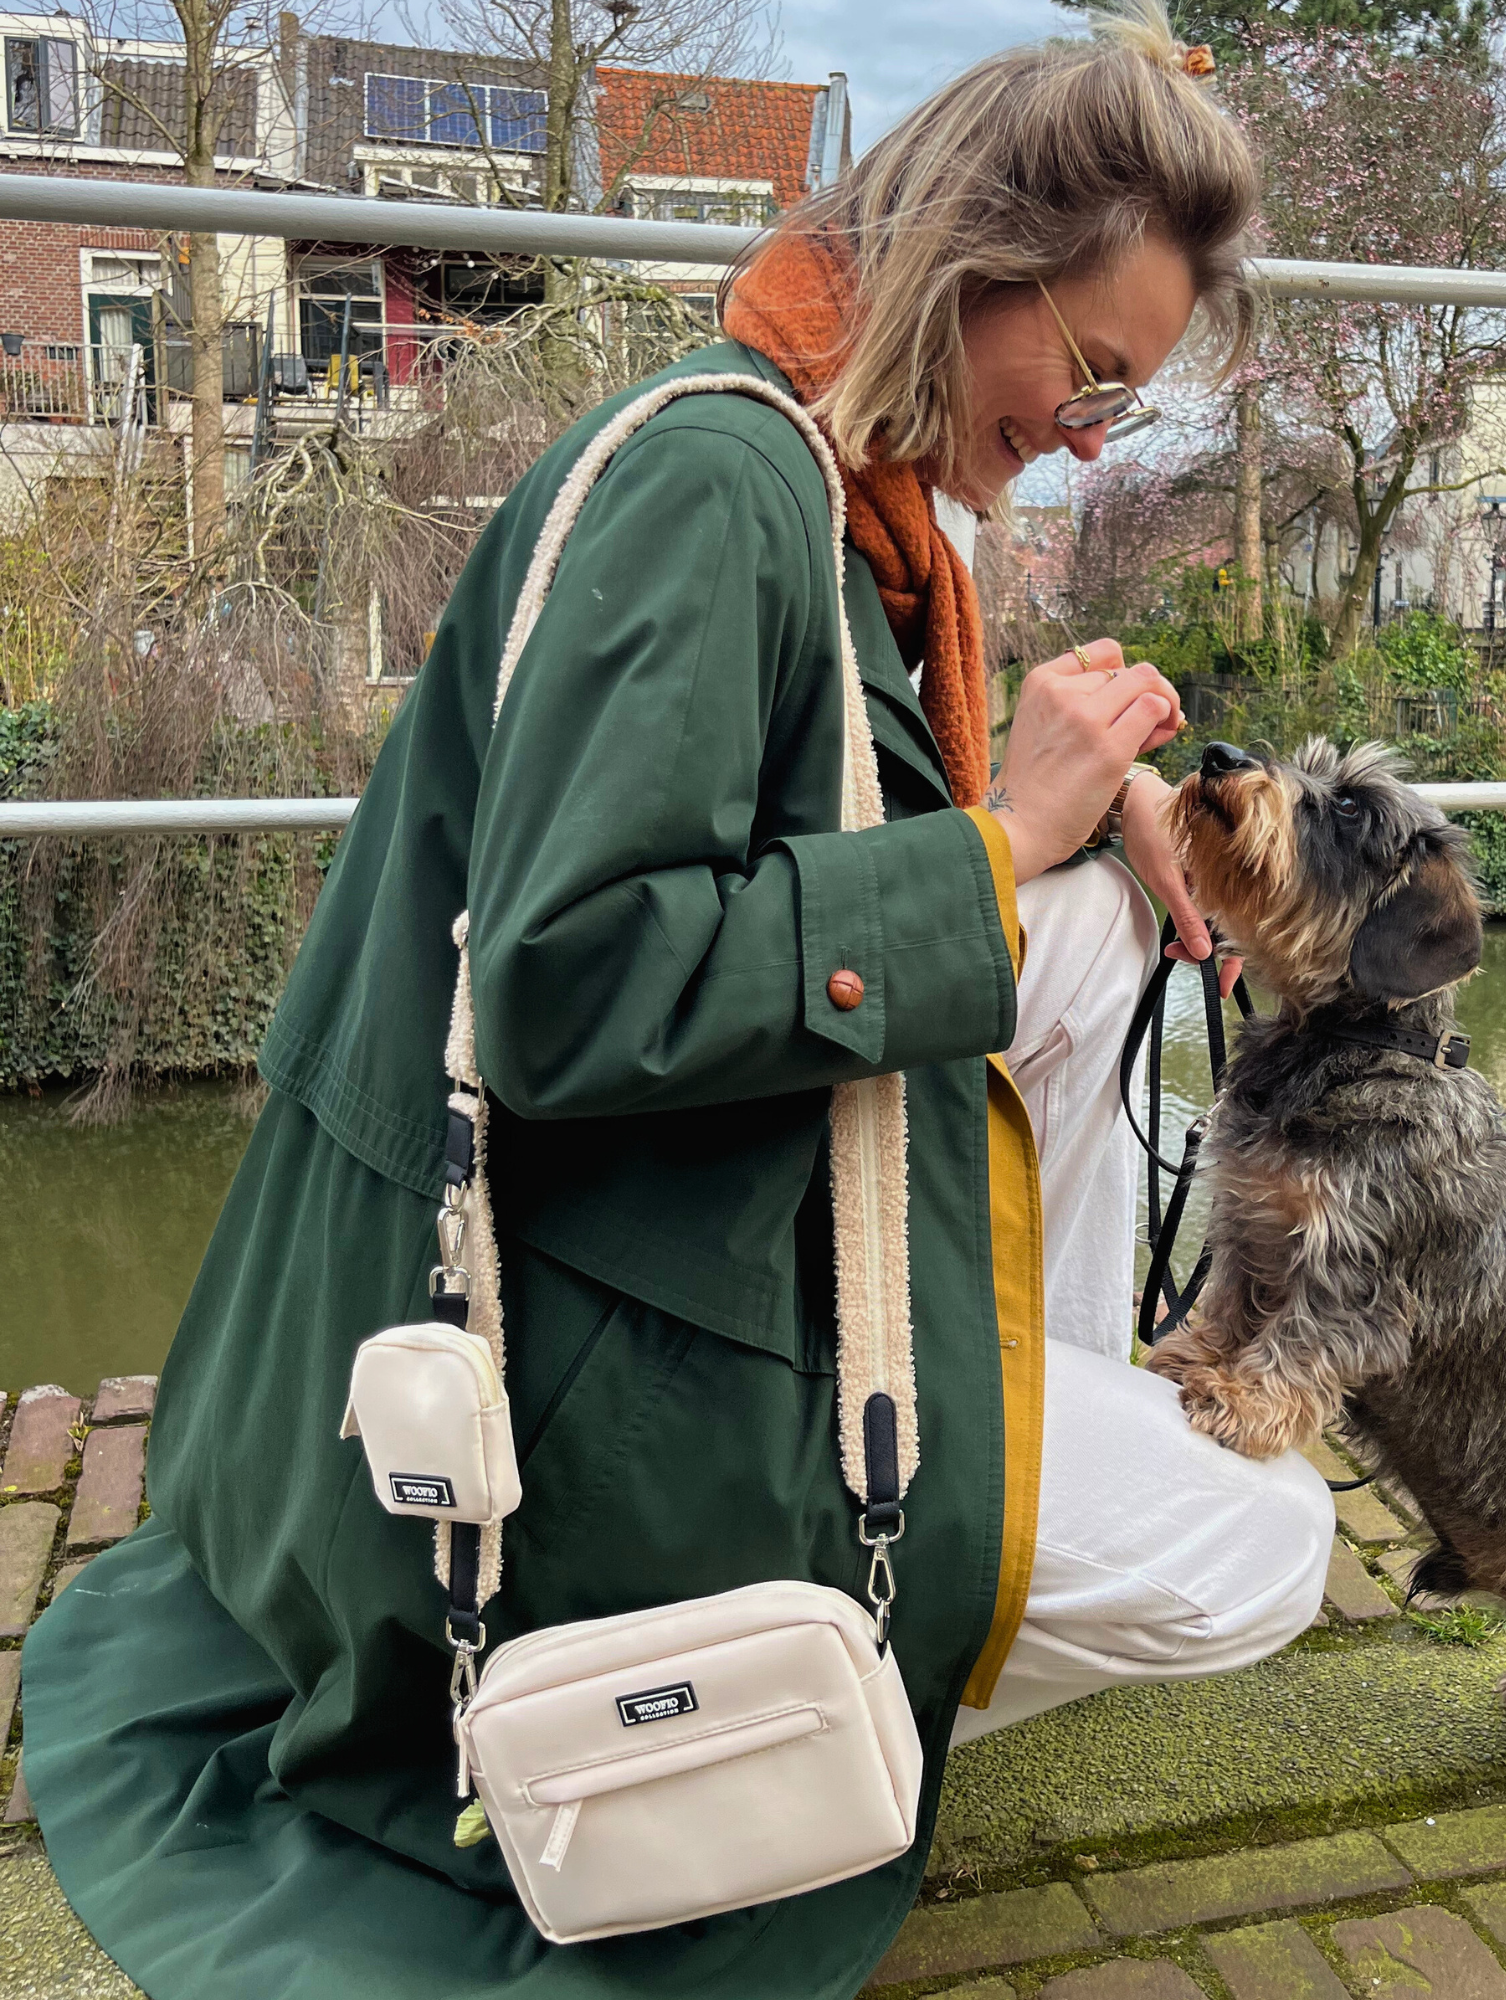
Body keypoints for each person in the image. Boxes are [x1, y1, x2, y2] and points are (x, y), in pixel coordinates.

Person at [22, 7, 1335, 1994]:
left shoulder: (826, 480)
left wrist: (1089, 825)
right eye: (1089, 374)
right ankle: (839, 1660)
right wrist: (998, 835)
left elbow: (817, 825)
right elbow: (566, 984)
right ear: (974, 259)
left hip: (617, 1228)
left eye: (1123, 404)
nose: (1090, 434)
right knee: (1267, 1545)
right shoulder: (720, 491)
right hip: (565, 1337)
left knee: (1085, 932)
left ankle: (996, 1441)